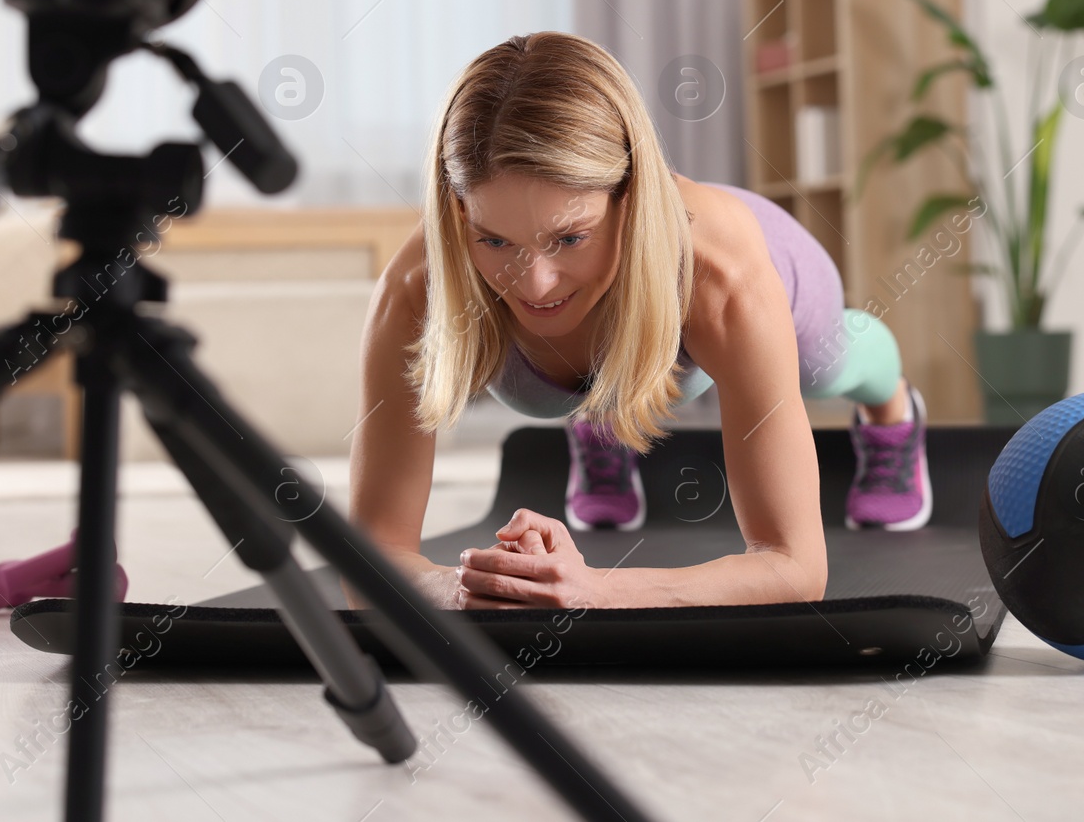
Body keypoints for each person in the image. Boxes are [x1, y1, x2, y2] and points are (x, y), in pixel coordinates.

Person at [346, 32, 928, 612]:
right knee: (553, 389)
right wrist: (467, 589)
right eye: (494, 239)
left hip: (764, 269)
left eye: (570, 237)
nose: (533, 284)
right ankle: (605, 417)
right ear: (457, 210)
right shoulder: (416, 288)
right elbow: (370, 556)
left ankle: (893, 412)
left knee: (825, 365)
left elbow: (794, 566)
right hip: (607, 345)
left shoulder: (720, 273)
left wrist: (594, 589)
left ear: (630, 199)